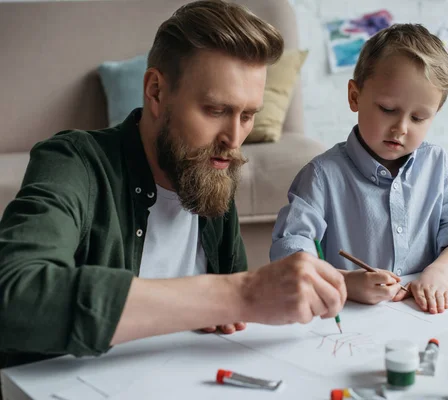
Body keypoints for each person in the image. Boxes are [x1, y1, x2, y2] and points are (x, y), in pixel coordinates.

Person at [0, 0, 346, 372]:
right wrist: (239, 292)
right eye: (215, 110)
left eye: (247, 116)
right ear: (155, 91)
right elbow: (15, 296)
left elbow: (228, 327)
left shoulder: (210, 173)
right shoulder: (73, 162)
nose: (233, 138)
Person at [270, 23, 448, 314]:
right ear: (355, 97)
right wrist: (346, 282)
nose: (401, 128)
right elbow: (288, 253)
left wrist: (438, 275)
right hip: (348, 319)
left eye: (419, 118)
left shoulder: (439, 166)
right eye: (387, 109)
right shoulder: (321, 176)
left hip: (419, 317)